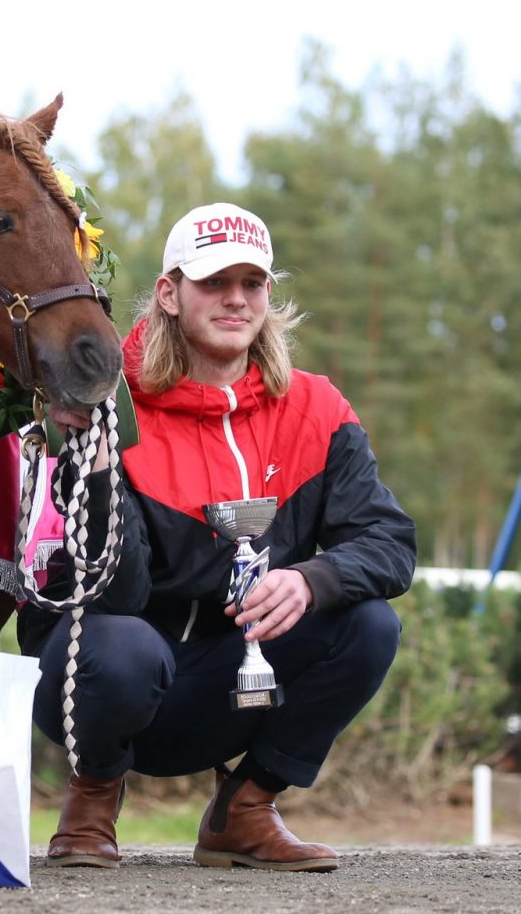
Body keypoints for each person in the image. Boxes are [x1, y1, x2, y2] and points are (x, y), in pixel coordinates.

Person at [22, 201, 415, 871]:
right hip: (100, 681)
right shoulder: (105, 397)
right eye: (214, 283)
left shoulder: (318, 408)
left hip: (225, 686)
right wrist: (95, 468)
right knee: (121, 642)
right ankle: (92, 796)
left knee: (369, 624)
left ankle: (246, 808)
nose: (236, 299)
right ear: (171, 294)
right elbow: (114, 594)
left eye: (251, 283)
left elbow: (390, 542)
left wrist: (310, 579)